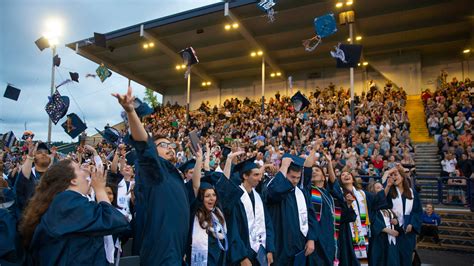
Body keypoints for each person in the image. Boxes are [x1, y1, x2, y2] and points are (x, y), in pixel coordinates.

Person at [113, 87, 191, 265]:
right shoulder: (155, 171)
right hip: (161, 253)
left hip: (177, 251)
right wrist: (131, 112)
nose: (170, 147)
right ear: (154, 152)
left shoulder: (175, 175)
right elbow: (143, 144)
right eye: (163, 145)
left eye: (170, 144)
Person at [19, 159, 130, 265]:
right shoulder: (68, 202)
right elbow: (115, 221)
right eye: (80, 168)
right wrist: (100, 189)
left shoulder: (64, 201)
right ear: (73, 180)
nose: (86, 171)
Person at [262, 154, 317, 265]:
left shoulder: (301, 193)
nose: (295, 181)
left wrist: (311, 239)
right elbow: (275, 191)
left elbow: (310, 216)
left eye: (298, 177)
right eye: (292, 177)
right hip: (280, 244)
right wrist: (284, 166)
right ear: (285, 174)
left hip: (299, 246)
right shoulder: (271, 188)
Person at [224, 152, 275, 265]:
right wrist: (241, 257)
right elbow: (233, 229)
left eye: (259, 174)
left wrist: (270, 249)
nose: (260, 178)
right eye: (256, 175)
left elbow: (268, 224)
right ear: (245, 176)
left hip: (261, 252)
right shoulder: (236, 199)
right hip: (244, 255)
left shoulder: (258, 197)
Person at [338, 167, 391, 266]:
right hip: (347, 233)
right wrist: (348, 205)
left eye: (348, 174)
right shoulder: (339, 195)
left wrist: (387, 186)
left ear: (353, 179)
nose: (346, 175)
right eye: (343, 175)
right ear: (340, 180)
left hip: (363, 232)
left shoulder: (362, 194)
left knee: (363, 260)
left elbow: (376, 201)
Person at [385, 167, 422, 266]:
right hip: (394, 231)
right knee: (394, 259)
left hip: (407, 232)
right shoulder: (389, 193)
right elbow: (383, 208)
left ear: (402, 177)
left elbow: (417, 211)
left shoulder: (412, 192)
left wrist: (412, 223)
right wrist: (390, 218)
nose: (393, 177)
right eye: (391, 176)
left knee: (406, 259)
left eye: (395, 175)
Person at [367, 181, 400, 266]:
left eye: (382, 187)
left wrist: (396, 221)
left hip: (390, 239)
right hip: (378, 239)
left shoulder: (388, 206)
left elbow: (394, 220)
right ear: (372, 191)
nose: (382, 190)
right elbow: (372, 220)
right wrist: (387, 230)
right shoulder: (372, 206)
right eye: (378, 188)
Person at [14, 140, 51, 213]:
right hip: (31, 218)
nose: (44, 154)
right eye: (39, 152)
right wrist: (30, 156)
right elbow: (22, 181)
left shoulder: (56, 177)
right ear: (34, 158)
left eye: (46, 153)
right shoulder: (29, 176)